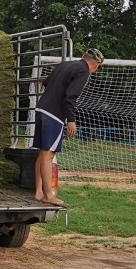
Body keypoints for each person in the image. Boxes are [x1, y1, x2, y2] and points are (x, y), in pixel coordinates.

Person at [33, 47, 104, 204]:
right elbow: (70, 97)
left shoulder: (65, 64)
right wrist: (71, 120)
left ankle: (38, 192)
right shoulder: (83, 71)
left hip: (41, 108)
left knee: (42, 153)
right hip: (54, 114)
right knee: (48, 154)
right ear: (96, 65)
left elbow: (46, 82)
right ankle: (48, 195)